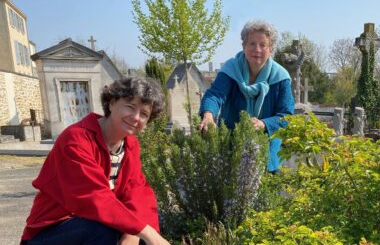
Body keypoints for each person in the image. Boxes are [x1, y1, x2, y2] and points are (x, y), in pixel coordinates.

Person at [21, 77, 170, 245]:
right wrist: (146, 232)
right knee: (100, 231)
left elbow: (136, 190)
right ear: (112, 103)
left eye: (144, 114)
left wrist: (134, 234)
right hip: (50, 232)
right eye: (130, 106)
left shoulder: (130, 144)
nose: (136, 117)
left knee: (139, 236)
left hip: (91, 223)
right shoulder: (77, 139)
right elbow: (93, 197)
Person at [199, 20, 294, 172]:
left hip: (266, 155)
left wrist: (263, 124)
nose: (257, 49)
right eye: (252, 43)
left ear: (270, 49)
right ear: (244, 46)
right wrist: (208, 115)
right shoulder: (231, 69)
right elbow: (215, 94)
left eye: (263, 45)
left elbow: (286, 116)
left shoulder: (281, 77)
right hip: (231, 151)